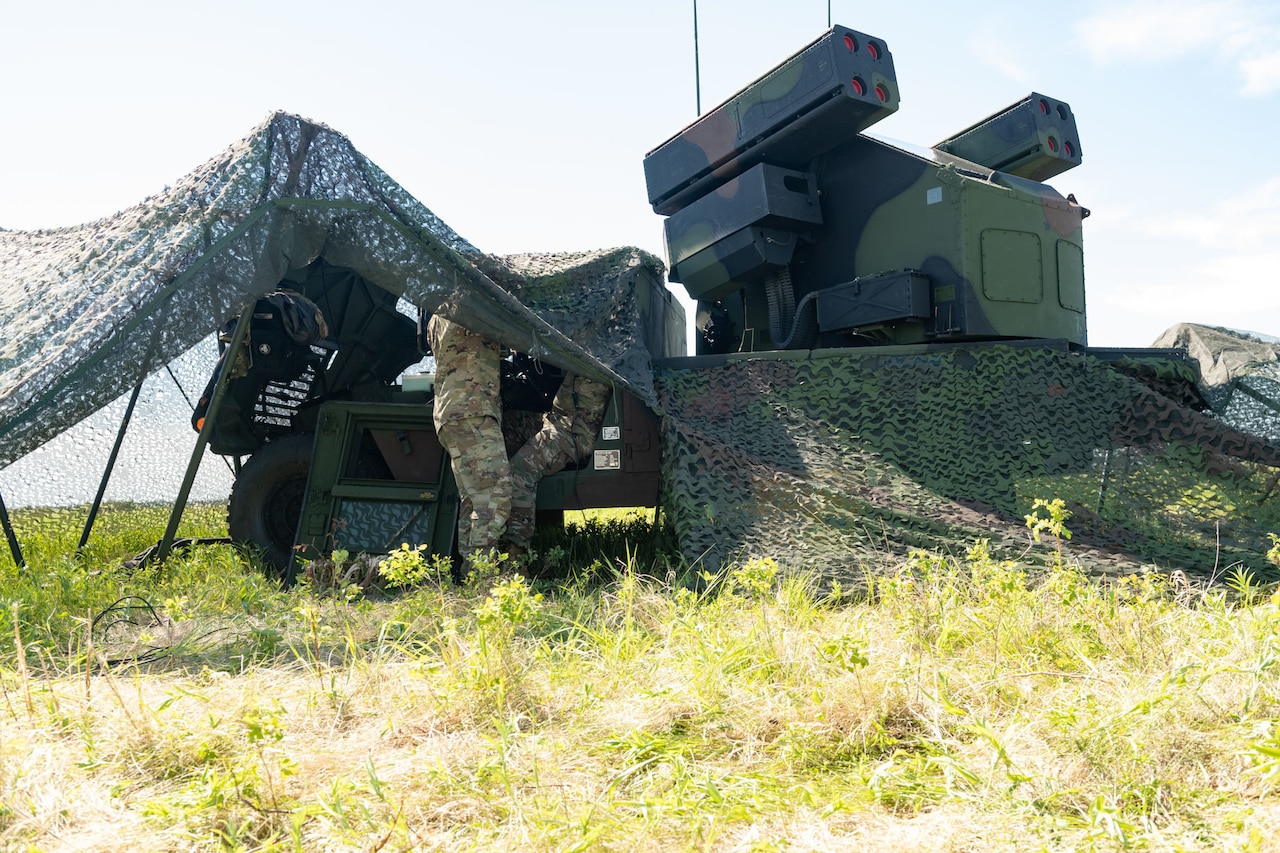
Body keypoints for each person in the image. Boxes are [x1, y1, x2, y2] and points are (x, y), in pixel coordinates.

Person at [425, 314, 511, 564]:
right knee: (496, 490)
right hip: (471, 409)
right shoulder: (469, 303)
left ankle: (472, 572)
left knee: (474, 498)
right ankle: (483, 572)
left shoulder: (438, 314)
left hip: (453, 411)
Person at [504, 372, 612, 558]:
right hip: (559, 421)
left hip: (576, 434)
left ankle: (516, 555)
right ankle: (500, 522)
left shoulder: (600, 352)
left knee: (519, 471)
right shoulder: (585, 348)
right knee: (508, 423)